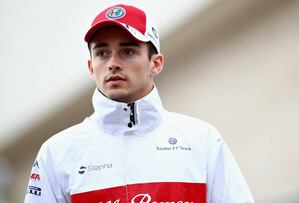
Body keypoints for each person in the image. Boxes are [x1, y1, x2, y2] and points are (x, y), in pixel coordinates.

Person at [24, 3, 254, 203]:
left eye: (127, 51)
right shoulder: (57, 153)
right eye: (102, 53)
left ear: (156, 63)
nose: (113, 63)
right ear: (90, 67)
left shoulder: (202, 140)